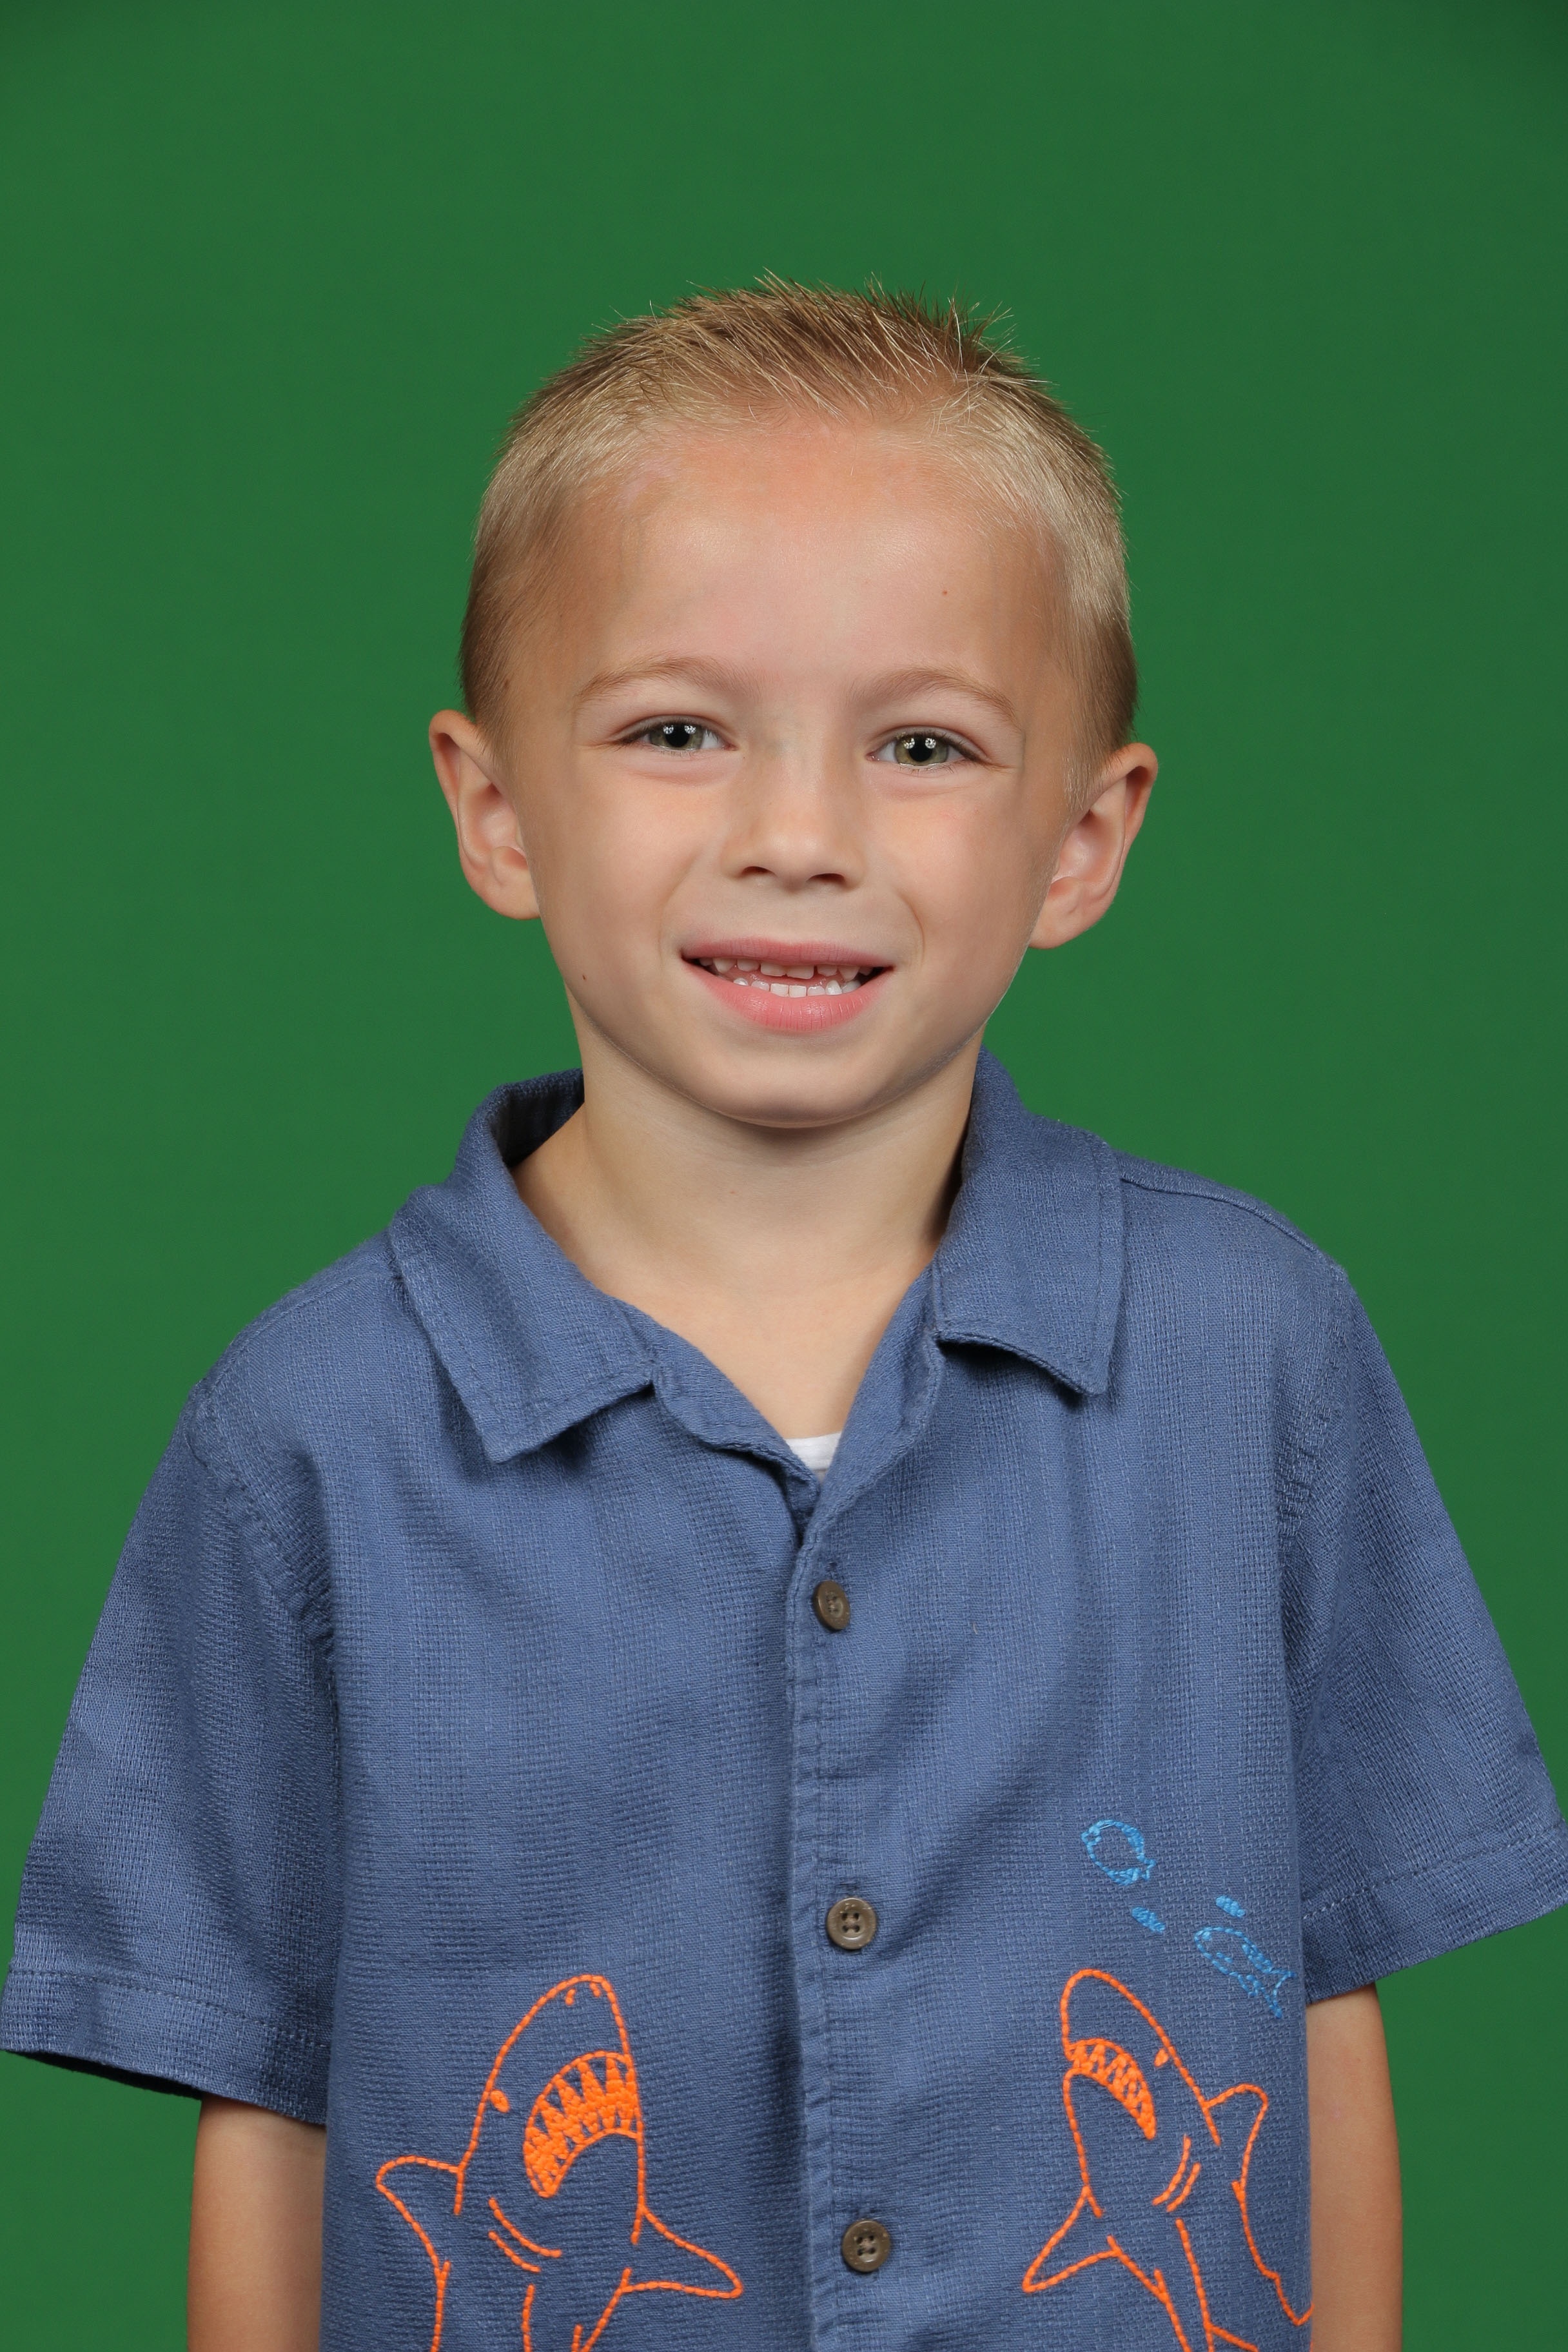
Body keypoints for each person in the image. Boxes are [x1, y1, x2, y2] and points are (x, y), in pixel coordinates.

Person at [3, 282, 1563, 2352]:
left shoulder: (1255, 1355)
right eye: (678, 730)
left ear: (1083, 839)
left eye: (923, 746)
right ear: (494, 809)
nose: (800, 839)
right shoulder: (308, 1431)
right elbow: (270, 2114)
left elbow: (1318, 2000)